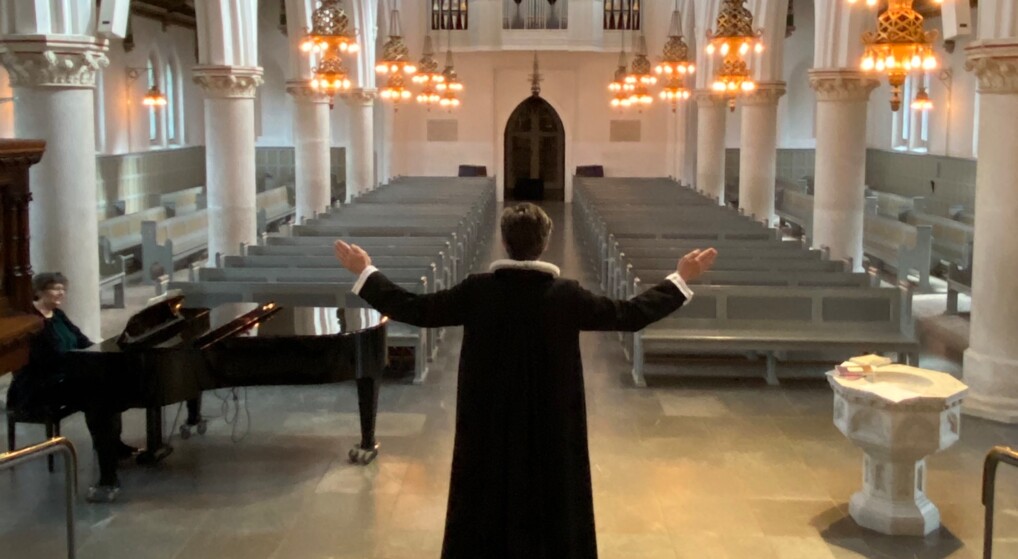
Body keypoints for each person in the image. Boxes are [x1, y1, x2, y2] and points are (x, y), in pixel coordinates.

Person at [334, 203, 717, 559]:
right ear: (544, 244)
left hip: (489, 421)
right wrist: (679, 280)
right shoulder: (566, 296)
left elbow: (416, 309)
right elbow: (630, 315)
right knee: (552, 492)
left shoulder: (477, 291)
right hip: (551, 421)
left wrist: (366, 272)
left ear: (504, 241)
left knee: (485, 491)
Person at [6, 272, 136, 503]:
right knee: (98, 397)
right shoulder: (31, 321)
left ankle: (113, 448)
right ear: (39, 291)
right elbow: (48, 361)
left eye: (63, 289)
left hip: (66, 376)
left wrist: (101, 352)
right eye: (55, 289)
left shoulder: (57, 315)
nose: (61, 293)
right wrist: (83, 365)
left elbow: (81, 340)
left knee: (107, 389)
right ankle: (108, 474)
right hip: (39, 387)